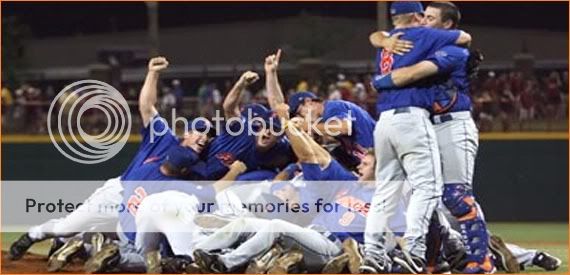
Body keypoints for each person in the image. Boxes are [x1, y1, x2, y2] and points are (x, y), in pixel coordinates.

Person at [8, 57, 213, 266]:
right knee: (66, 226)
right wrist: (153, 73)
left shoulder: (199, 165)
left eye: (209, 135)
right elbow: (146, 106)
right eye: (200, 131)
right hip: (117, 193)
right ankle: (34, 236)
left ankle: (82, 245)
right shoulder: (164, 139)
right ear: (187, 132)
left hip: (140, 208)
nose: (204, 137)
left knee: (142, 249)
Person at [360, 1, 473, 273]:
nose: (425, 19)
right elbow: (464, 37)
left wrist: (381, 40)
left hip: (384, 120)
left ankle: (372, 253)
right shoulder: (423, 34)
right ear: (415, 15)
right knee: (428, 188)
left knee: (385, 190)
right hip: (411, 117)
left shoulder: (389, 41)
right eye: (422, 14)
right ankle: (414, 250)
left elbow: (377, 36)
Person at [264, 50, 376, 169]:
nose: (301, 117)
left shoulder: (332, 107)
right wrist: (271, 74)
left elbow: (344, 128)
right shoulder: (323, 121)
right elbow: (279, 109)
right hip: (368, 159)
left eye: (299, 112)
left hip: (380, 153)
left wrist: (306, 126)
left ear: (308, 102)